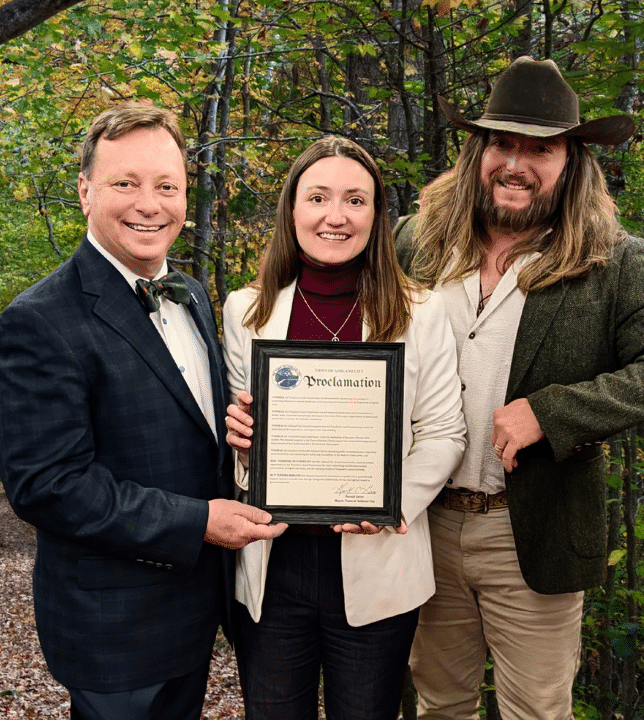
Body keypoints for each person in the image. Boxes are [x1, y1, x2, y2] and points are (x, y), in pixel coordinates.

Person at [0, 102, 285, 720]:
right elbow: (49, 486)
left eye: (167, 186)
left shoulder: (196, 294)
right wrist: (199, 521)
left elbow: (188, 429)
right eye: (125, 183)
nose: (150, 204)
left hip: (195, 612)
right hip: (112, 626)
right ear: (85, 192)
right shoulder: (39, 321)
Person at [397, 56, 644, 720]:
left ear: (572, 161)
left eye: (540, 147)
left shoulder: (615, 263)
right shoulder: (417, 246)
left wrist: (555, 411)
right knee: (438, 705)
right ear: (478, 150)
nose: (516, 162)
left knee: (536, 712)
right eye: (502, 142)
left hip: (529, 533)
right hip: (421, 526)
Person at [222, 136, 467, 720]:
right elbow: (240, 450)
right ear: (292, 210)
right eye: (319, 198)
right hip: (274, 563)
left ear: (378, 215)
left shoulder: (421, 311)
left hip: (377, 559)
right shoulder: (247, 310)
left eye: (356, 200)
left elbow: (444, 432)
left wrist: (388, 503)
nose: (336, 216)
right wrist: (242, 444)